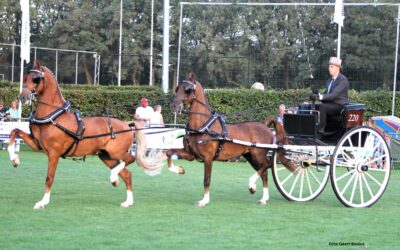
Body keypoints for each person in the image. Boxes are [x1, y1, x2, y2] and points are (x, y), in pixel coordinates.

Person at [310, 57, 349, 134]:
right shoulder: (329, 80)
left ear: (338, 68)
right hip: (330, 105)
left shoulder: (343, 80)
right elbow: (326, 95)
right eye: (329, 67)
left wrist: (320, 96)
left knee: (322, 107)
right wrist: (317, 95)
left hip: (340, 106)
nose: (329, 69)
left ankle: (320, 130)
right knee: (315, 106)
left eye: (332, 67)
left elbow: (333, 95)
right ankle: (312, 127)